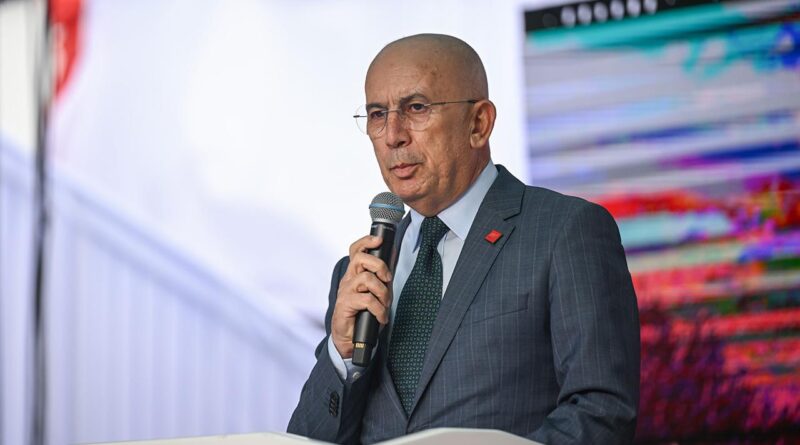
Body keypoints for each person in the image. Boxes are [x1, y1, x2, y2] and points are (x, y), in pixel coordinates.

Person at [287, 33, 640, 445]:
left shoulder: (564, 231)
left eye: (416, 108)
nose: (393, 135)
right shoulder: (358, 274)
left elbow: (601, 415)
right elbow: (307, 439)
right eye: (378, 114)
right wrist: (342, 355)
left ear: (478, 124)